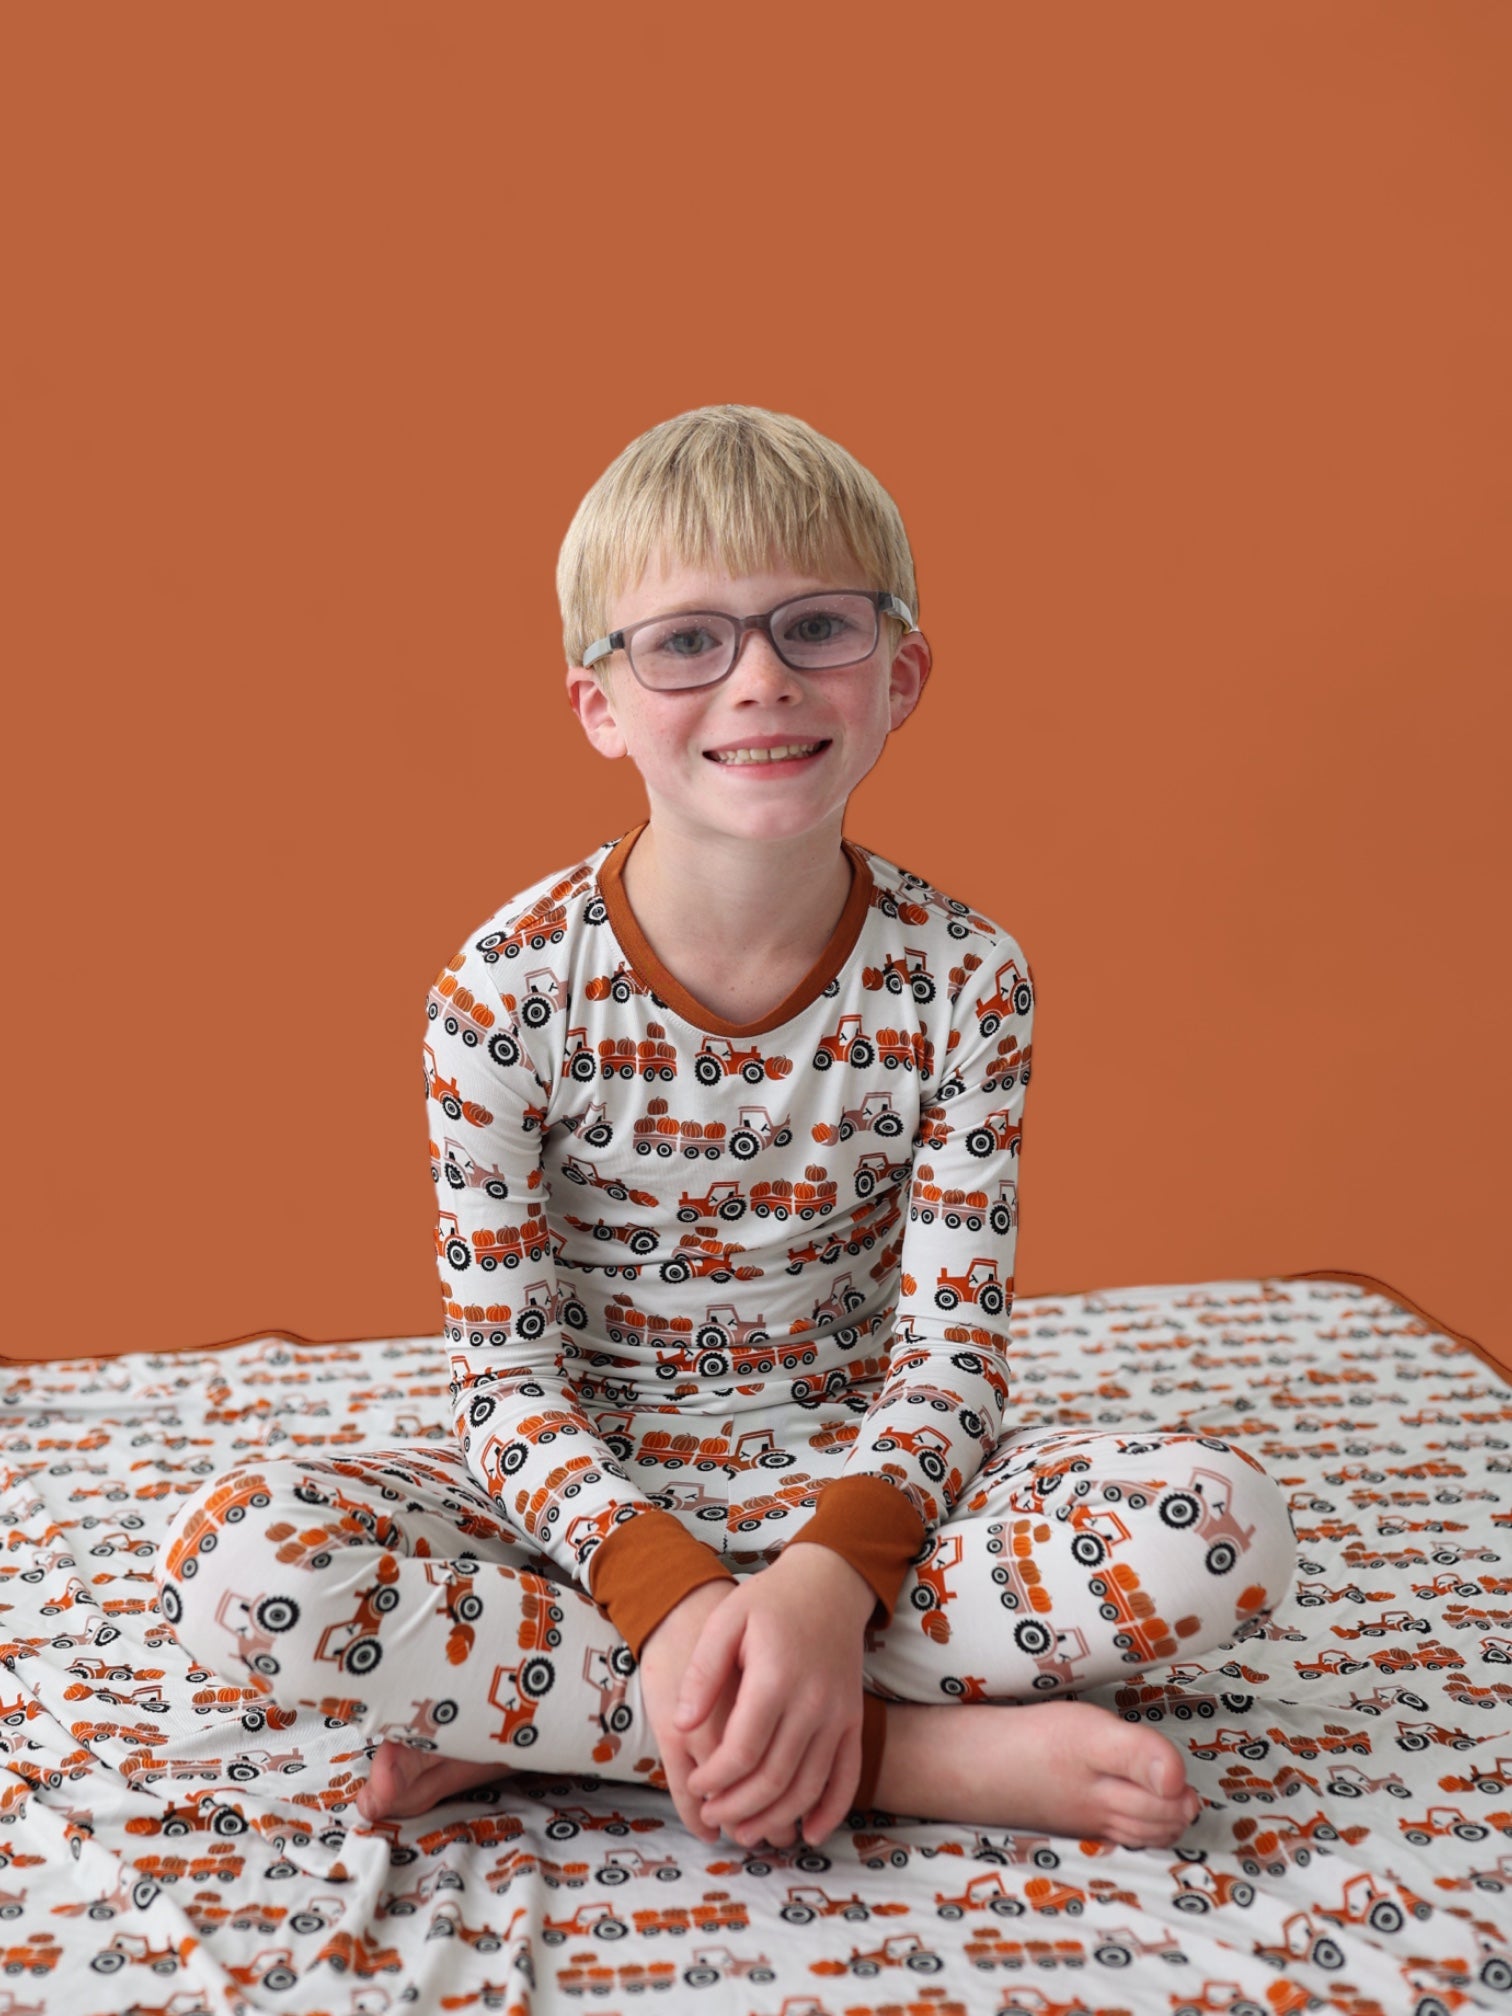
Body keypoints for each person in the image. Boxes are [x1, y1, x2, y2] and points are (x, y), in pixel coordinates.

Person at [157, 403, 1297, 1855]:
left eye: (816, 628)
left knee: (1225, 1527)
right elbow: (504, 1390)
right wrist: (674, 1595)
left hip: (871, 1505)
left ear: (900, 675)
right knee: (232, 1562)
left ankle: (551, 1718)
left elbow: (952, 1361)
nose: (760, 680)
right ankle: (901, 1754)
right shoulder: (500, 994)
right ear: (599, 707)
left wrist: (823, 1587)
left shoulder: (967, 981)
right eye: (688, 642)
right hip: (582, 1520)